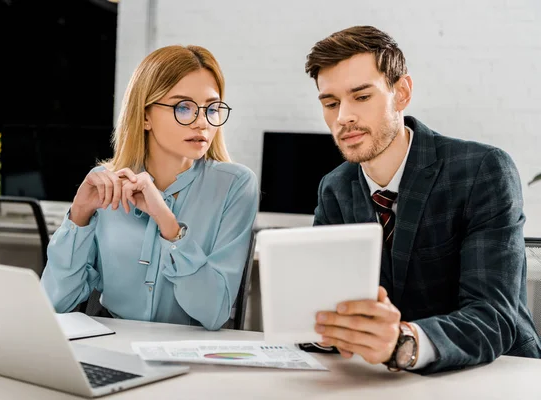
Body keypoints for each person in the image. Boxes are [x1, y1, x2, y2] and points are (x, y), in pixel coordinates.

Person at [303, 25, 541, 373]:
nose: (343, 117)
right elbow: (320, 306)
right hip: (381, 379)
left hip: (496, 373)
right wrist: (324, 331)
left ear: (401, 93)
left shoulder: (482, 170)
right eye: (331, 103)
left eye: (362, 96)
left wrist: (402, 341)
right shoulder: (335, 188)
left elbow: (493, 316)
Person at [41, 45, 259, 331]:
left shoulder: (235, 185)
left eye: (212, 108)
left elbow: (213, 312)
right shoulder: (105, 183)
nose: (203, 122)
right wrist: (78, 217)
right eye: (184, 107)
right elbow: (53, 305)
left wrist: (168, 224)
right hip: (113, 344)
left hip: (190, 354)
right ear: (145, 116)